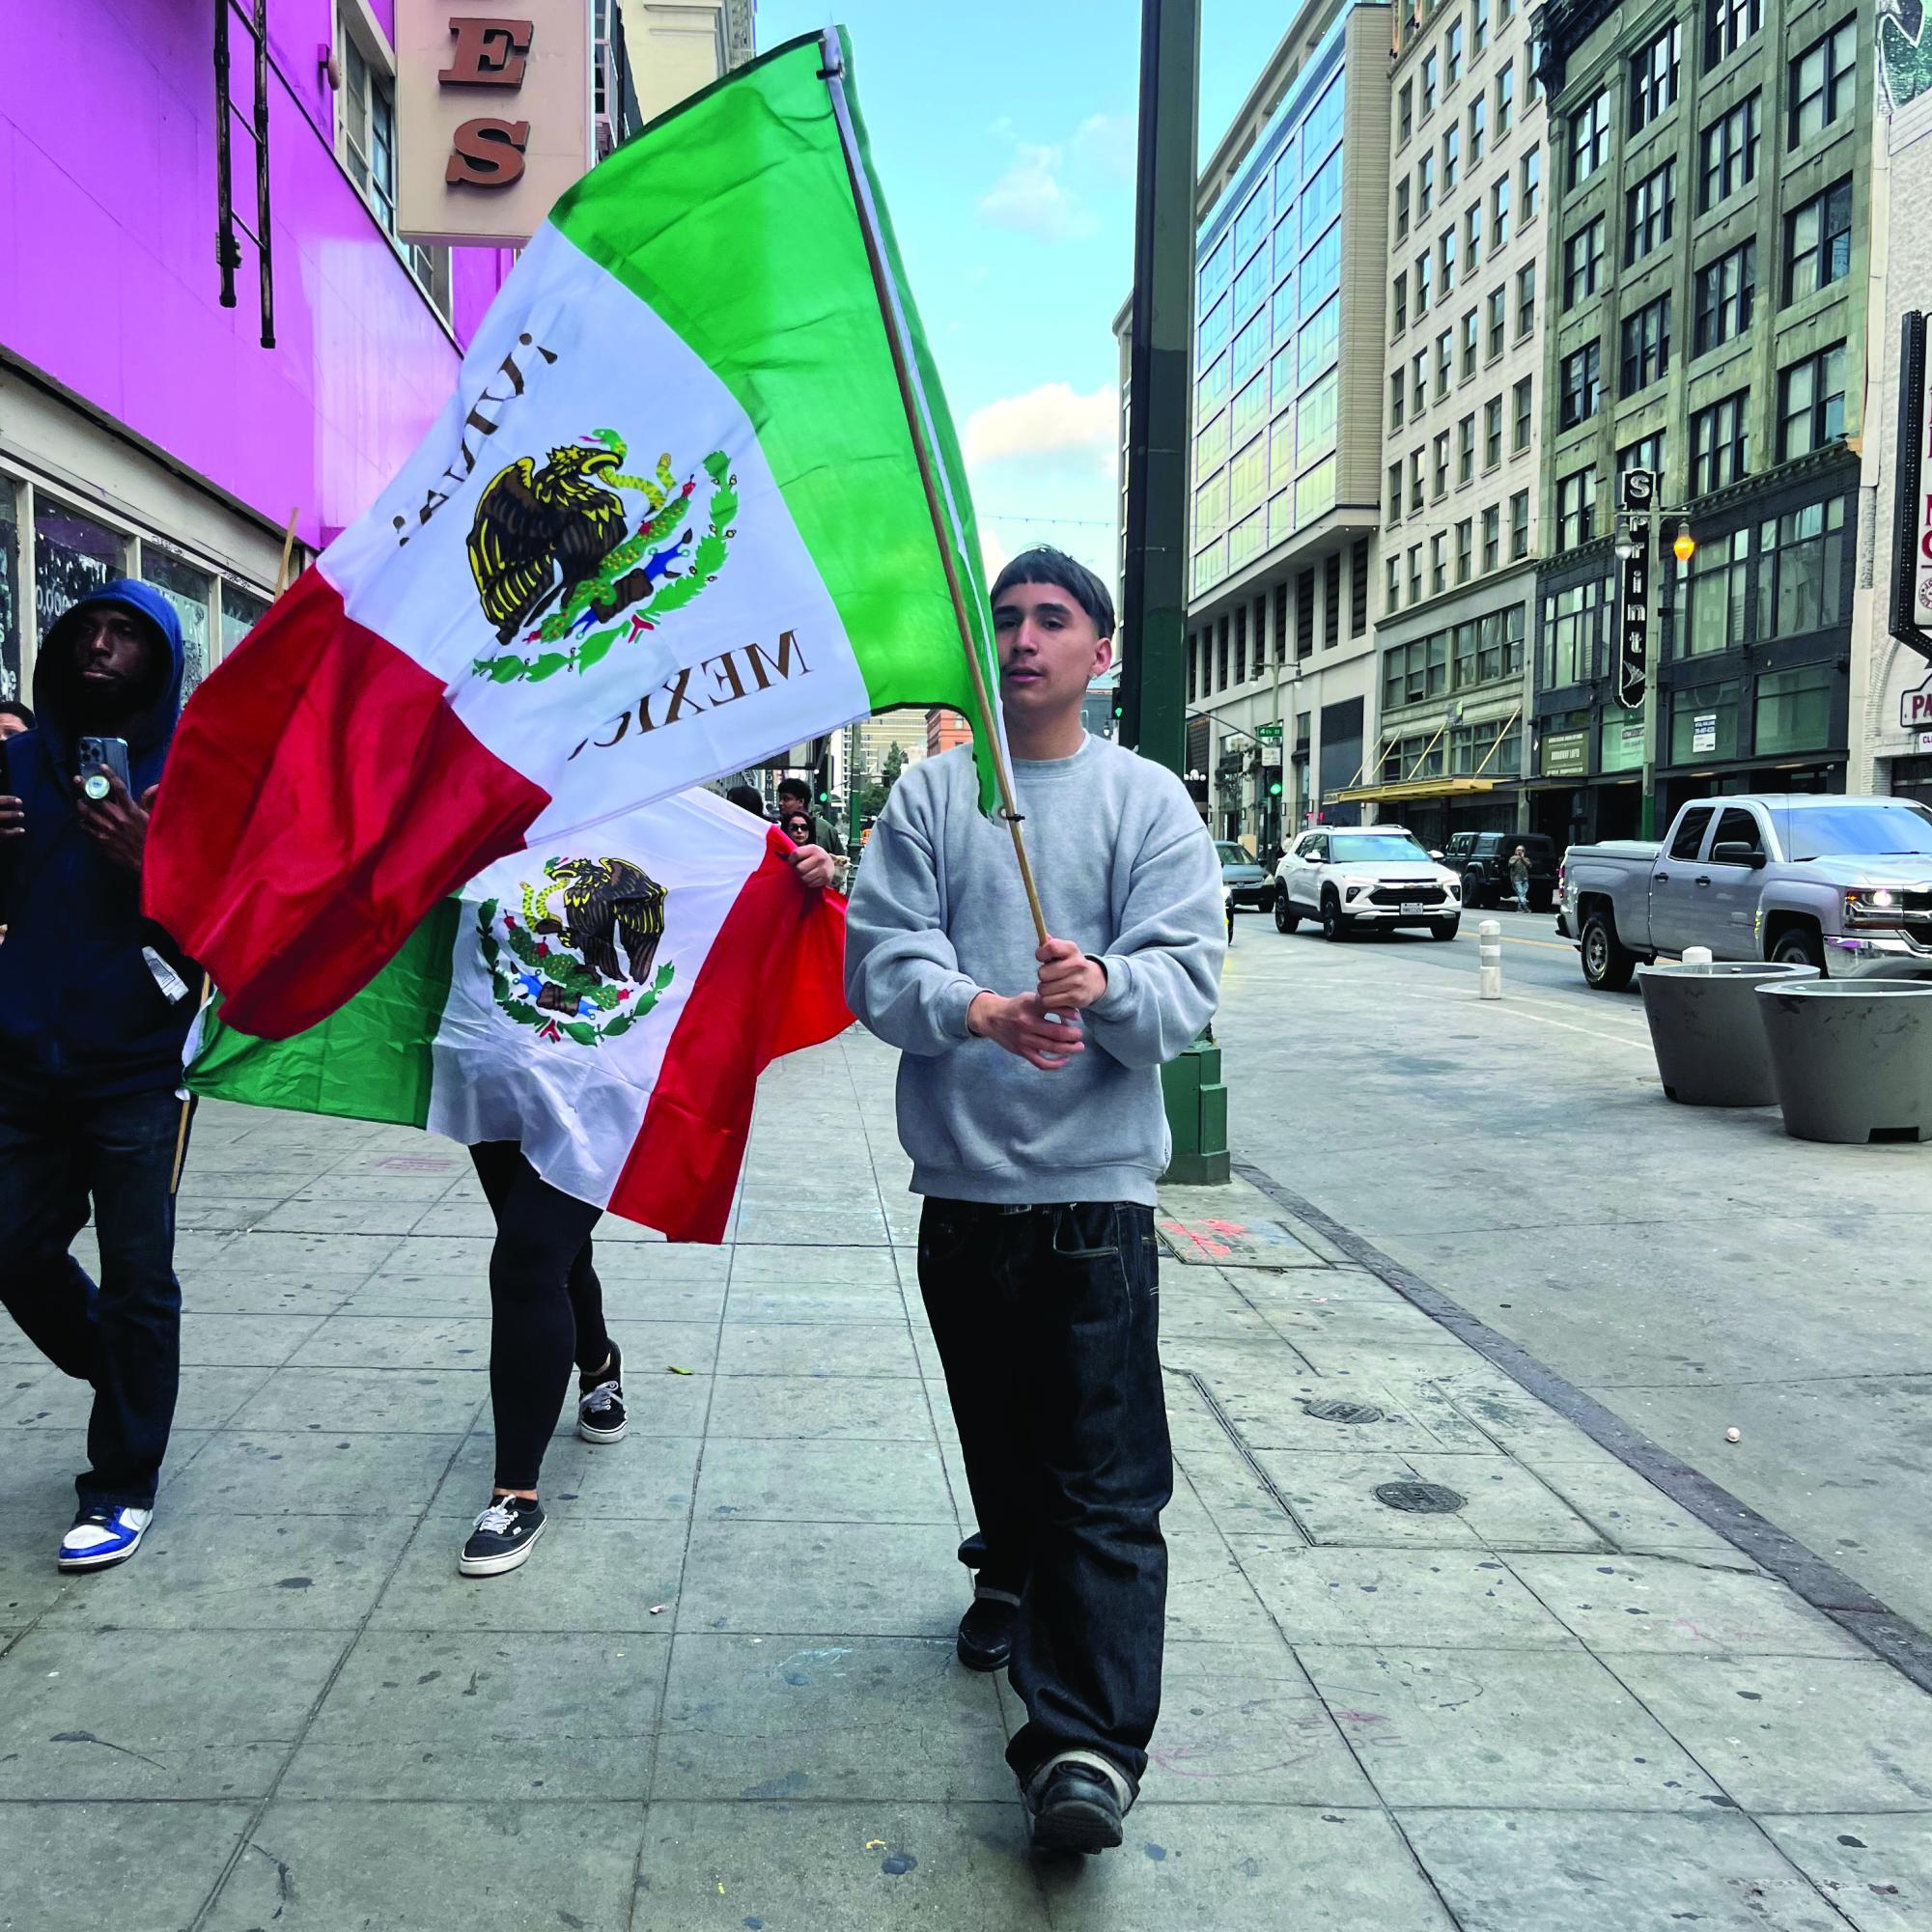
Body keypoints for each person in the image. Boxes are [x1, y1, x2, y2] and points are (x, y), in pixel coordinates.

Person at [845, 546, 1223, 1854]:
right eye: (1004, 619)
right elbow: (879, 965)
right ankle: (1007, 1569)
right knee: (1002, 1439)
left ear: (1100, 652)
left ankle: (1082, 1743)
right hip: (964, 1186)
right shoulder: (934, 800)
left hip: (1094, 1200)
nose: (1022, 639)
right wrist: (981, 1008)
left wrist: (1103, 985)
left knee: (1105, 1478)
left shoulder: (1148, 805)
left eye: (1052, 621)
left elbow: (1185, 995)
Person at [458, 831, 839, 1578]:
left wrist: (804, 875)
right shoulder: (505, 781)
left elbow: (737, 877)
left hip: (607, 1079)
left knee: (527, 1257)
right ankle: (597, 1360)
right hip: (505, 1064)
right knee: (546, 1249)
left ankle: (515, 1493)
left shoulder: (659, 788)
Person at [0, 582, 197, 1571]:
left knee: (136, 1277)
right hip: (21, 1056)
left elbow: (229, 922)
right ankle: (125, 1376)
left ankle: (121, 1480)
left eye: (125, 636)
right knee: (12, 1247)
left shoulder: (194, 778)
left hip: (135, 1066)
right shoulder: (13, 764)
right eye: (87, 630)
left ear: (159, 664)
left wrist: (149, 857)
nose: (102, 646)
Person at [775, 775, 845, 857]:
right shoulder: (776, 829)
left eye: (786, 799)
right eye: (780, 799)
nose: (780, 803)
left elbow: (840, 863)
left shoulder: (825, 830)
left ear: (801, 802)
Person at [1509, 842, 1531, 911]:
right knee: (1520, 892)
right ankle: (1525, 907)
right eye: (1518, 850)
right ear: (1515, 851)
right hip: (1516, 879)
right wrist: (1517, 858)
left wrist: (1522, 858)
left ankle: (1519, 907)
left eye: (1521, 850)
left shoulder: (1526, 859)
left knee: (1523, 894)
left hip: (1525, 879)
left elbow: (1529, 865)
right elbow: (1510, 864)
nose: (1519, 851)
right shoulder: (1513, 858)